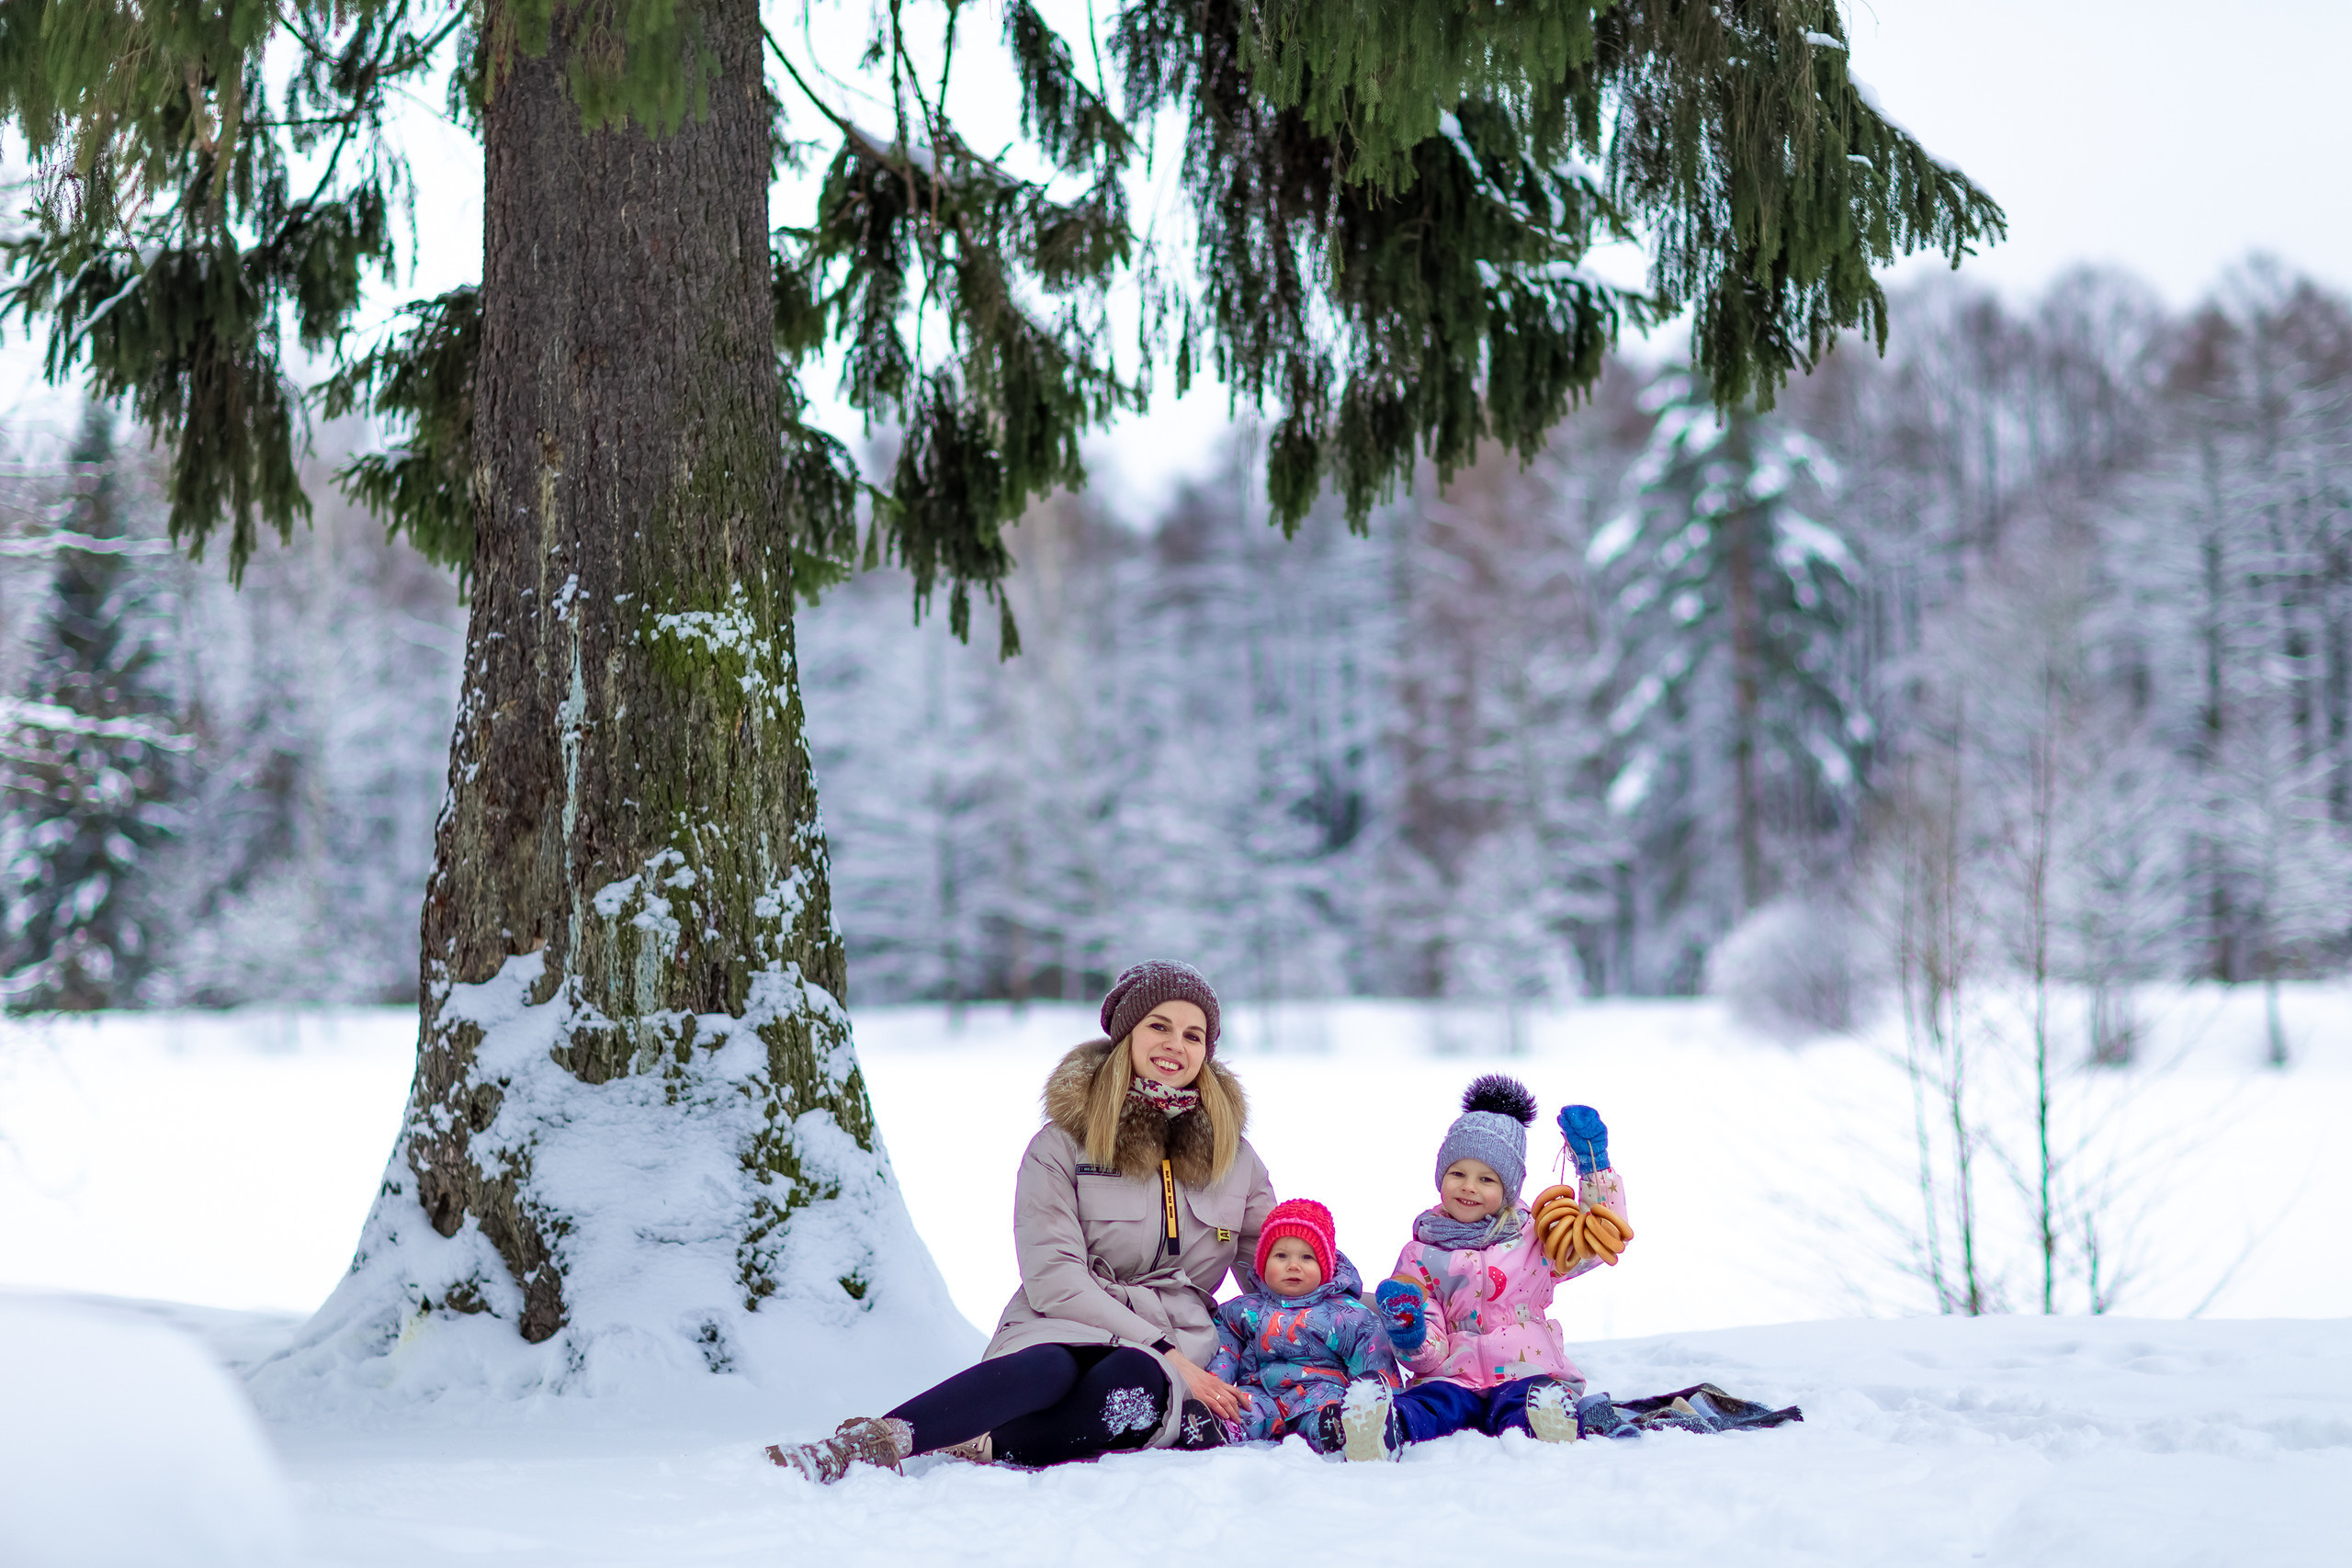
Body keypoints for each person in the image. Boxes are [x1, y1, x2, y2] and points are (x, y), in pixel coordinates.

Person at [766, 960, 1278, 1481]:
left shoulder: (1234, 1159)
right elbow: (1054, 1277)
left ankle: (985, 1438)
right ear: (1126, 1036)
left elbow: (1278, 1265)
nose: (1176, 1045)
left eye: (1194, 1035)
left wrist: (1343, 1306)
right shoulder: (1060, 1145)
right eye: (1159, 1026)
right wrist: (1165, 1347)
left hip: (1171, 1350)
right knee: (1051, 1366)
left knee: (1133, 1382)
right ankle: (869, 1442)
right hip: (1064, 1321)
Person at [1335, 1075, 1632, 1461]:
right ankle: (1383, 1428)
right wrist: (1411, 1335)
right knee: (1431, 1403)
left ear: (1508, 1188)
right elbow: (1428, 1349)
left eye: (1486, 1179)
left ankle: (1548, 1418)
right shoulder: (1420, 1253)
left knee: (1524, 1400)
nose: (1469, 1187)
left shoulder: (1535, 1237)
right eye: (1457, 1173)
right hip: (1452, 1376)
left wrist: (1594, 1167)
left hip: (1525, 1370)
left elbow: (1598, 1239)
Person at [1203, 1198, 1400, 1450]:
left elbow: (1372, 1353)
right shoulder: (1244, 1310)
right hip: (1263, 1393)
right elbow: (1226, 1347)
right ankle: (1215, 1426)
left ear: (1324, 1267)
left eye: (1307, 1257)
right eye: (1281, 1255)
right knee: (1241, 1408)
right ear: (1263, 1264)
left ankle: (1335, 1429)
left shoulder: (1346, 1314)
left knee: (1327, 1410)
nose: (1293, 1265)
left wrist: (1379, 1403)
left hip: (1320, 1391)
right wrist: (1217, 1386)